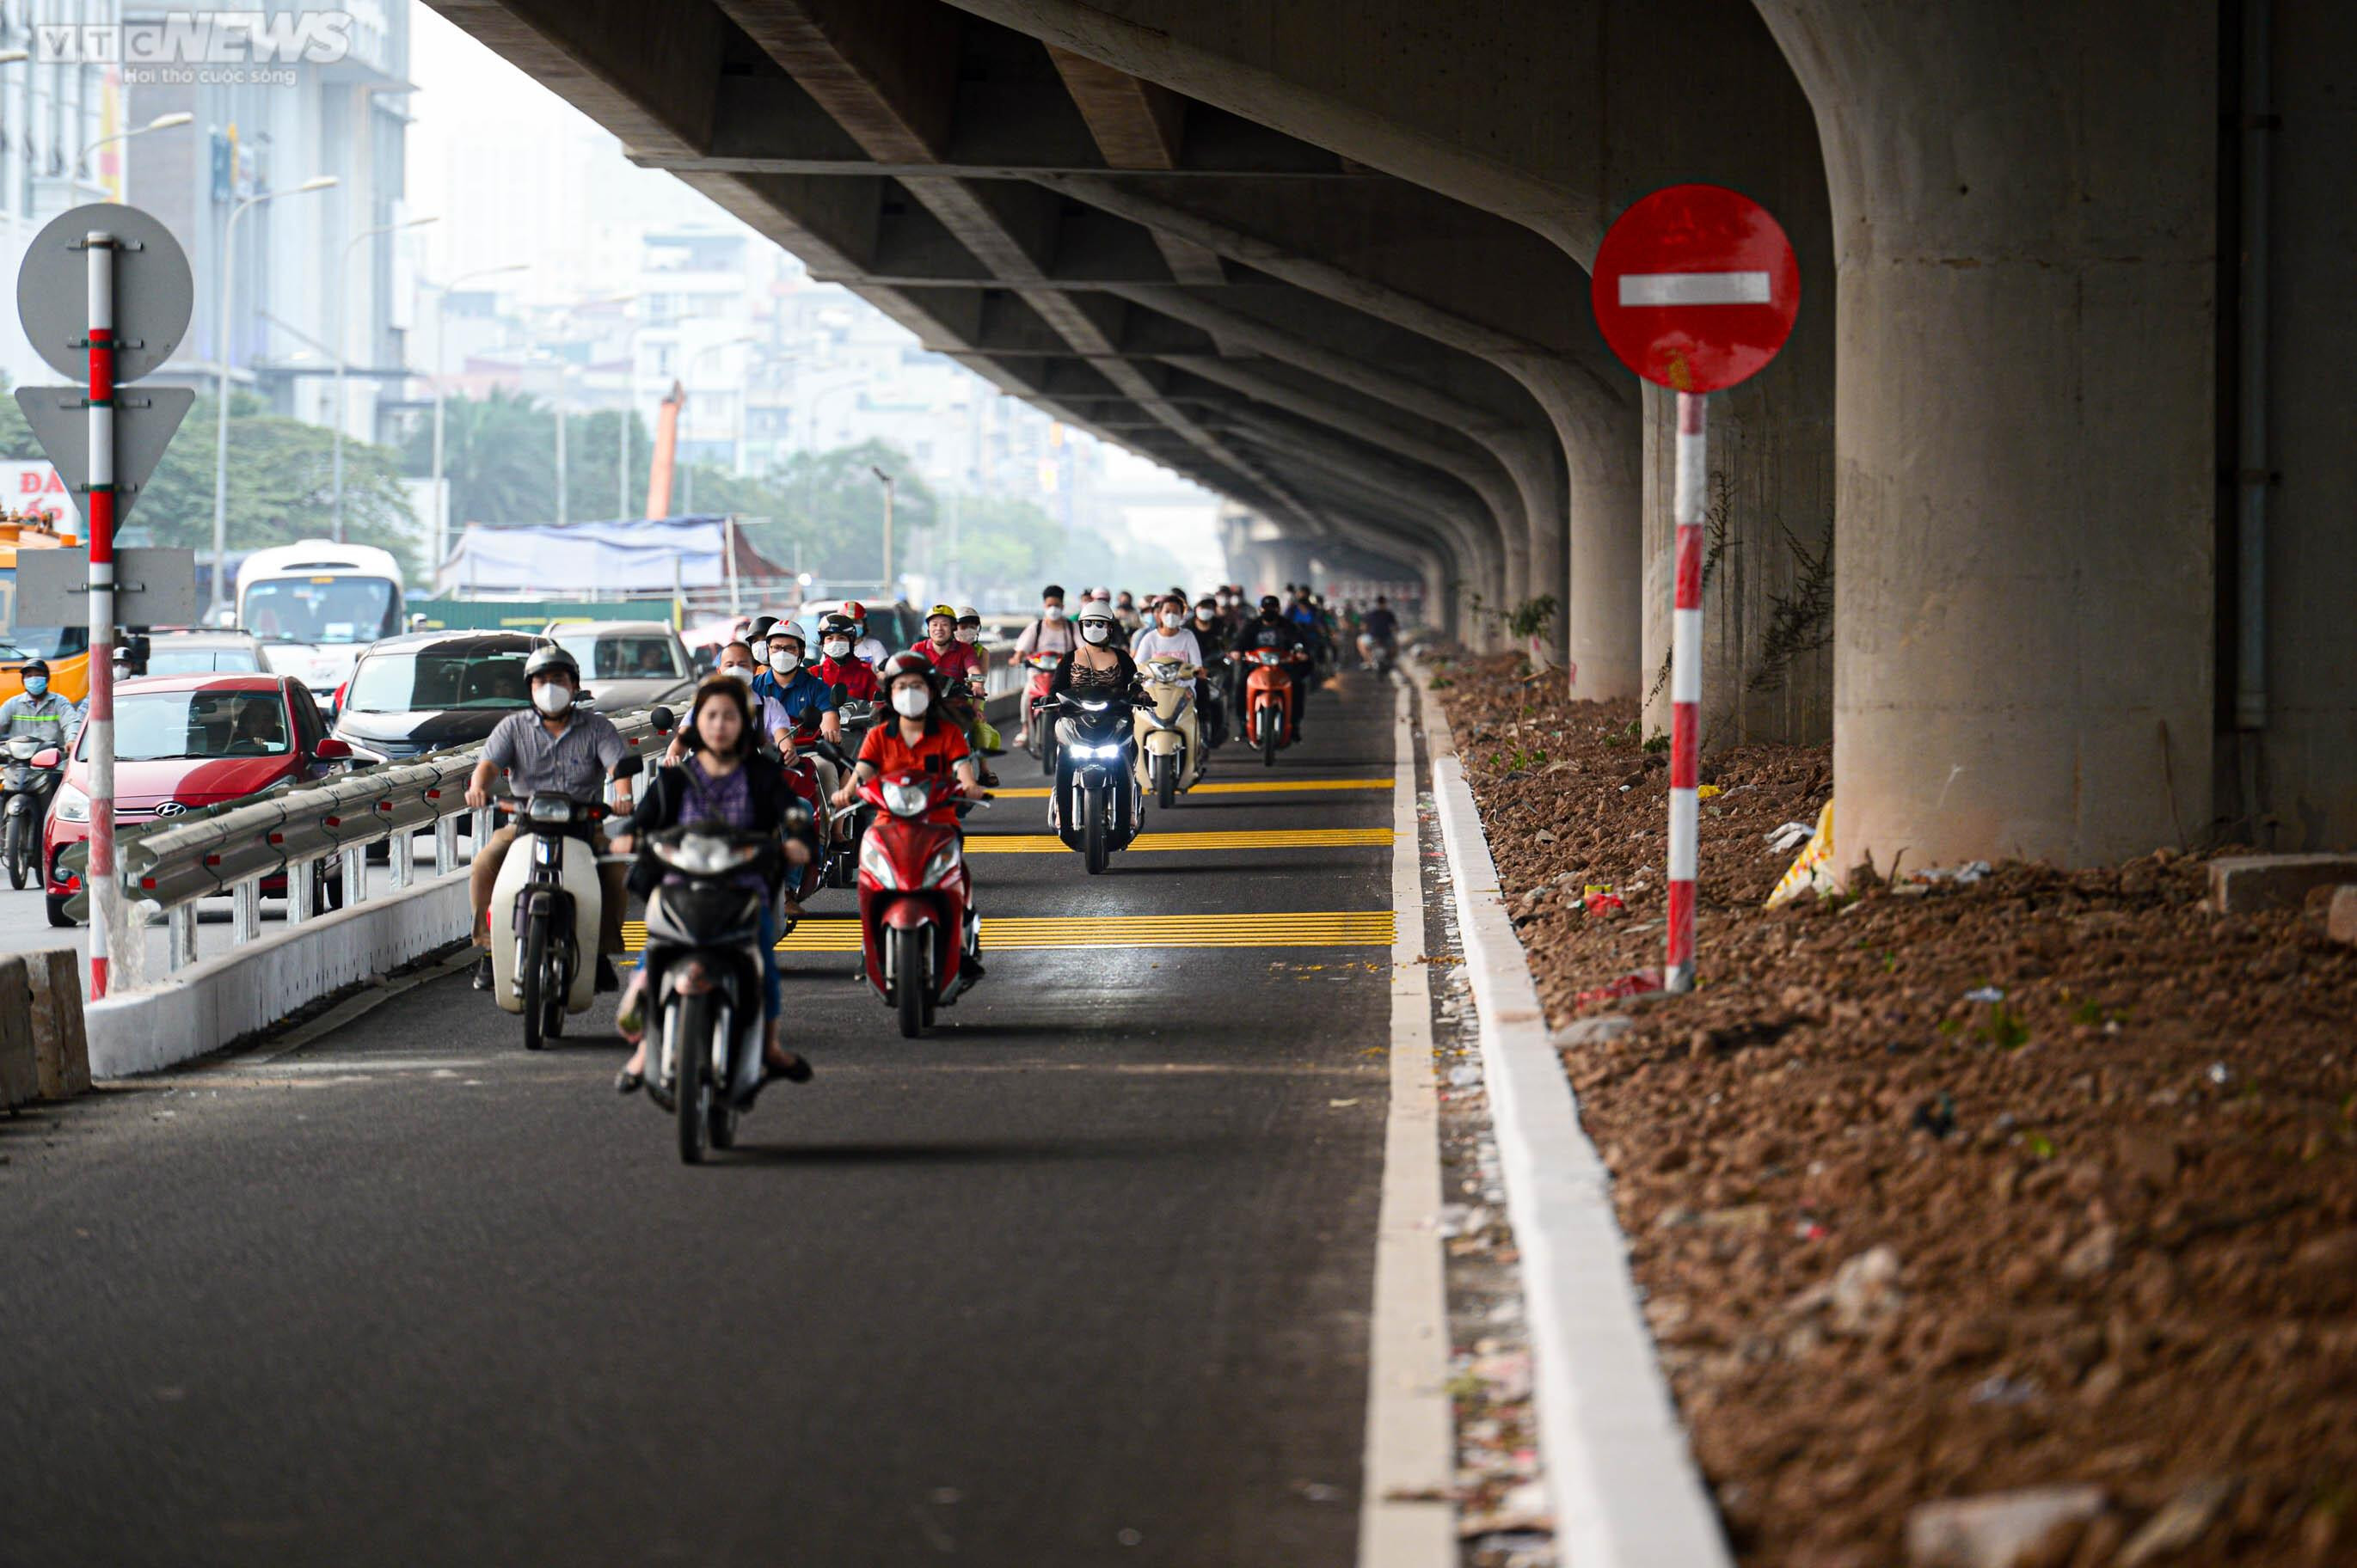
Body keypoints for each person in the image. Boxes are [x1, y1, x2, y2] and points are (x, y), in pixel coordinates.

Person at [609, 675, 817, 1097]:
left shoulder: (762, 775)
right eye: (711, 716)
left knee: (760, 962)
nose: (720, 725)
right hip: (680, 887)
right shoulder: (677, 778)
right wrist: (629, 835)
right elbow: (644, 817)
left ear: (745, 723)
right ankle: (645, 1046)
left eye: (729, 716)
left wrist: (796, 840)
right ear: (696, 724)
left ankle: (771, 1045)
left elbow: (792, 814)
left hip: (744, 890)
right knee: (657, 951)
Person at [463, 646, 633, 993]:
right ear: (530, 687)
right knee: (484, 863)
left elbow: (618, 767)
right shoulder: (512, 726)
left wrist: (624, 795)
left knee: (615, 872)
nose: (550, 687)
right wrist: (478, 788)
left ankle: (600, 953)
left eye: (558, 679)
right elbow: (488, 766)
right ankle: (488, 949)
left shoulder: (598, 727)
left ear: (574, 686)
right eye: (542, 680)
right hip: (525, 824)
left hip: (585, 825)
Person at [831, 652, 989, 979]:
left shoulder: (947, 733)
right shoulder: (877, 735)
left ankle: (961, 941)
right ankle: (868, 947)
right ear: (890, 692)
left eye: (917, 685)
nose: (909, 692)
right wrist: (847, 791)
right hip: (888, 824)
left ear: (931, 691)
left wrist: (970, 784)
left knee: (956, 878)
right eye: (902, 686)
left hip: (940, 823)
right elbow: (863, 770)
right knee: (871, 882)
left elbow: (962, 766)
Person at [1234, 594, 1314, 741]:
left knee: (1297, 686)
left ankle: (1294, 725)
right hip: (1255, 667)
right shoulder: (1252, 626)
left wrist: (1302, 653)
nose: (1269, 611)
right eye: (1266, 608)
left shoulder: (1288, 626)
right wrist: (1237, 652)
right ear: (1260, 609)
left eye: (1273, 608)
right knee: (1241, 686)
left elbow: (1299, 641)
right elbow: (1240, 641)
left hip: (1283, 668)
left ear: (1278, 609)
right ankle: (1243, 725)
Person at [1010, 584, 1076, 747]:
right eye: (1049, 606)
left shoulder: (1071, 627)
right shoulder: (1036, 627)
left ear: (1063, 606)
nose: (1053, 609)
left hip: (1064, 672)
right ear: (1044, 606)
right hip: (1037, 671)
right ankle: (1025, 730)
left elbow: (1084, 648)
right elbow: (1022, 648)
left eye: (1057, 606)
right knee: (1027, 694)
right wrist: (1018, 657)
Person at [0, 660, 83, 748]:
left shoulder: (59, 702)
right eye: (29, 676)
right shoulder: (13, 703)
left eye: (38, 675)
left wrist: (72, 740)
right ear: (23, 681)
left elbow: (71, 723)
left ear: (47, 679)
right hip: (19, 756)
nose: (34, 680)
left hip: (52, 756)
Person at [814, 615, 881, 703]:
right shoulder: (813, 674)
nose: (835, 642)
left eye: (841, 638)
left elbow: (877, 709)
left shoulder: (866, 674)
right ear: (823, 643)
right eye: (830, 638)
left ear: (850, 642)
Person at [840, 601, 890, 669]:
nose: (853, 626)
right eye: (848, 622)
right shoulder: (834, 647)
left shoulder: (875, 646)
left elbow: (882, 674)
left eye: (856, 621)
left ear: (864, 624)